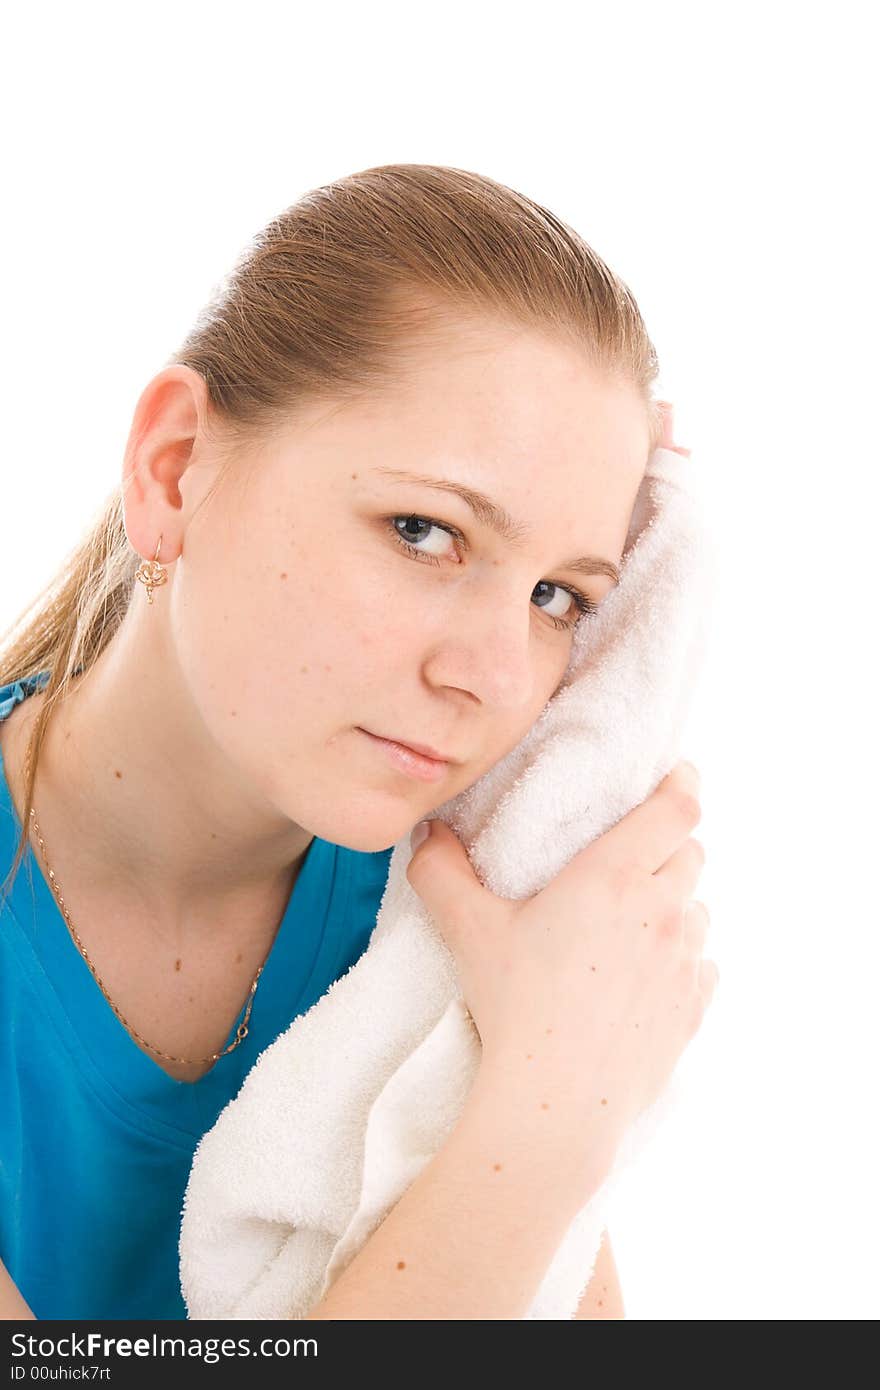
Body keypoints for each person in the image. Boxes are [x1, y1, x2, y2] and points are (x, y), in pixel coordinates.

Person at [0, 162, 712, 1321]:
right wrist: (548, 1118)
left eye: (558, 597)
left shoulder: (447, 933)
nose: (487, 677)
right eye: (423, 530)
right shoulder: (536, 1039)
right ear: (174, 468)